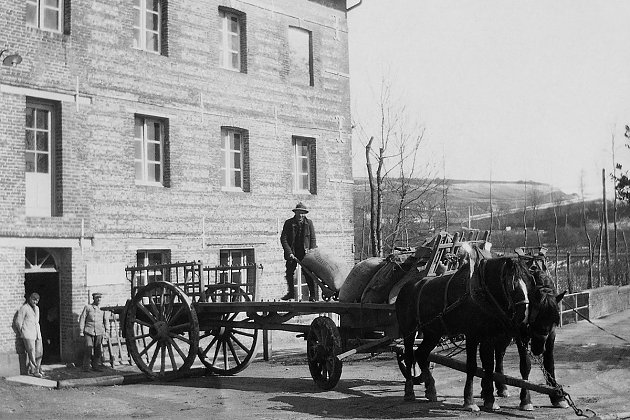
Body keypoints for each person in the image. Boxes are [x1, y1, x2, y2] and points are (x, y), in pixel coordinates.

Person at [280, 202, 317, 301]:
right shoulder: (288, 223)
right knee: (289, 272)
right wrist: (289, 252)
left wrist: (311, 252)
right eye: (299, 213)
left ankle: (312, 295)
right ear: (295, 213)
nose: (300, 215)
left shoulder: (309, 223)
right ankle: (291, 293)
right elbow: (283, 239)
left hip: (305, 253)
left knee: (308, 273)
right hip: (293, 252)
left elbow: (312, 239)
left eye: (302, 213)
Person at [13, 293, 44, 378]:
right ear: (30, 299)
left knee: (39, 352)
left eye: (37, 300)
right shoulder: (24, 308)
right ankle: (34, 371)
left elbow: (36, 321)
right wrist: (22, 332)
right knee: (31, 352)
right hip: (28, 333)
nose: (35, 302)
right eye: (33, 300)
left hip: (37, 333)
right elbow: (18, 322)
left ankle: (38, 367)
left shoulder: (37, 308)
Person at [79, 292, 109, 372]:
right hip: (89, 331)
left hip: (99, 332)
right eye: (97, 298)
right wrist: (81, 331)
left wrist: (107, 331)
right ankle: (86, 367)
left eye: (100, 298)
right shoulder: (88, 307)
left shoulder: (103, 309)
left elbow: (106, 321)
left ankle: (95, 366)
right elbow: (82, 319)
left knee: (98, 350)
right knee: (88, 349)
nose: (99, 299)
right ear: (94, 299)